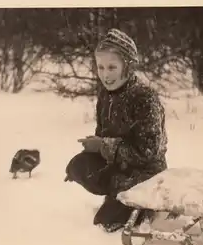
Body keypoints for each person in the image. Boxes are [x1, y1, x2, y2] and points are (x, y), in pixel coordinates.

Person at [64, 28, 168, 233]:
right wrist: (94, 146)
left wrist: (103, 146)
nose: (105, 74)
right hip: (119, 165)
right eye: (100, 67)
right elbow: (104, 133)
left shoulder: (144, 98)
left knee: (105, 221)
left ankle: (142, 204)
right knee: (78, 165)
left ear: (127, 66)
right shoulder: (106, 94)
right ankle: (119, 194)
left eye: (112, 67)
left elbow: (148, 152)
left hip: (146, 171)